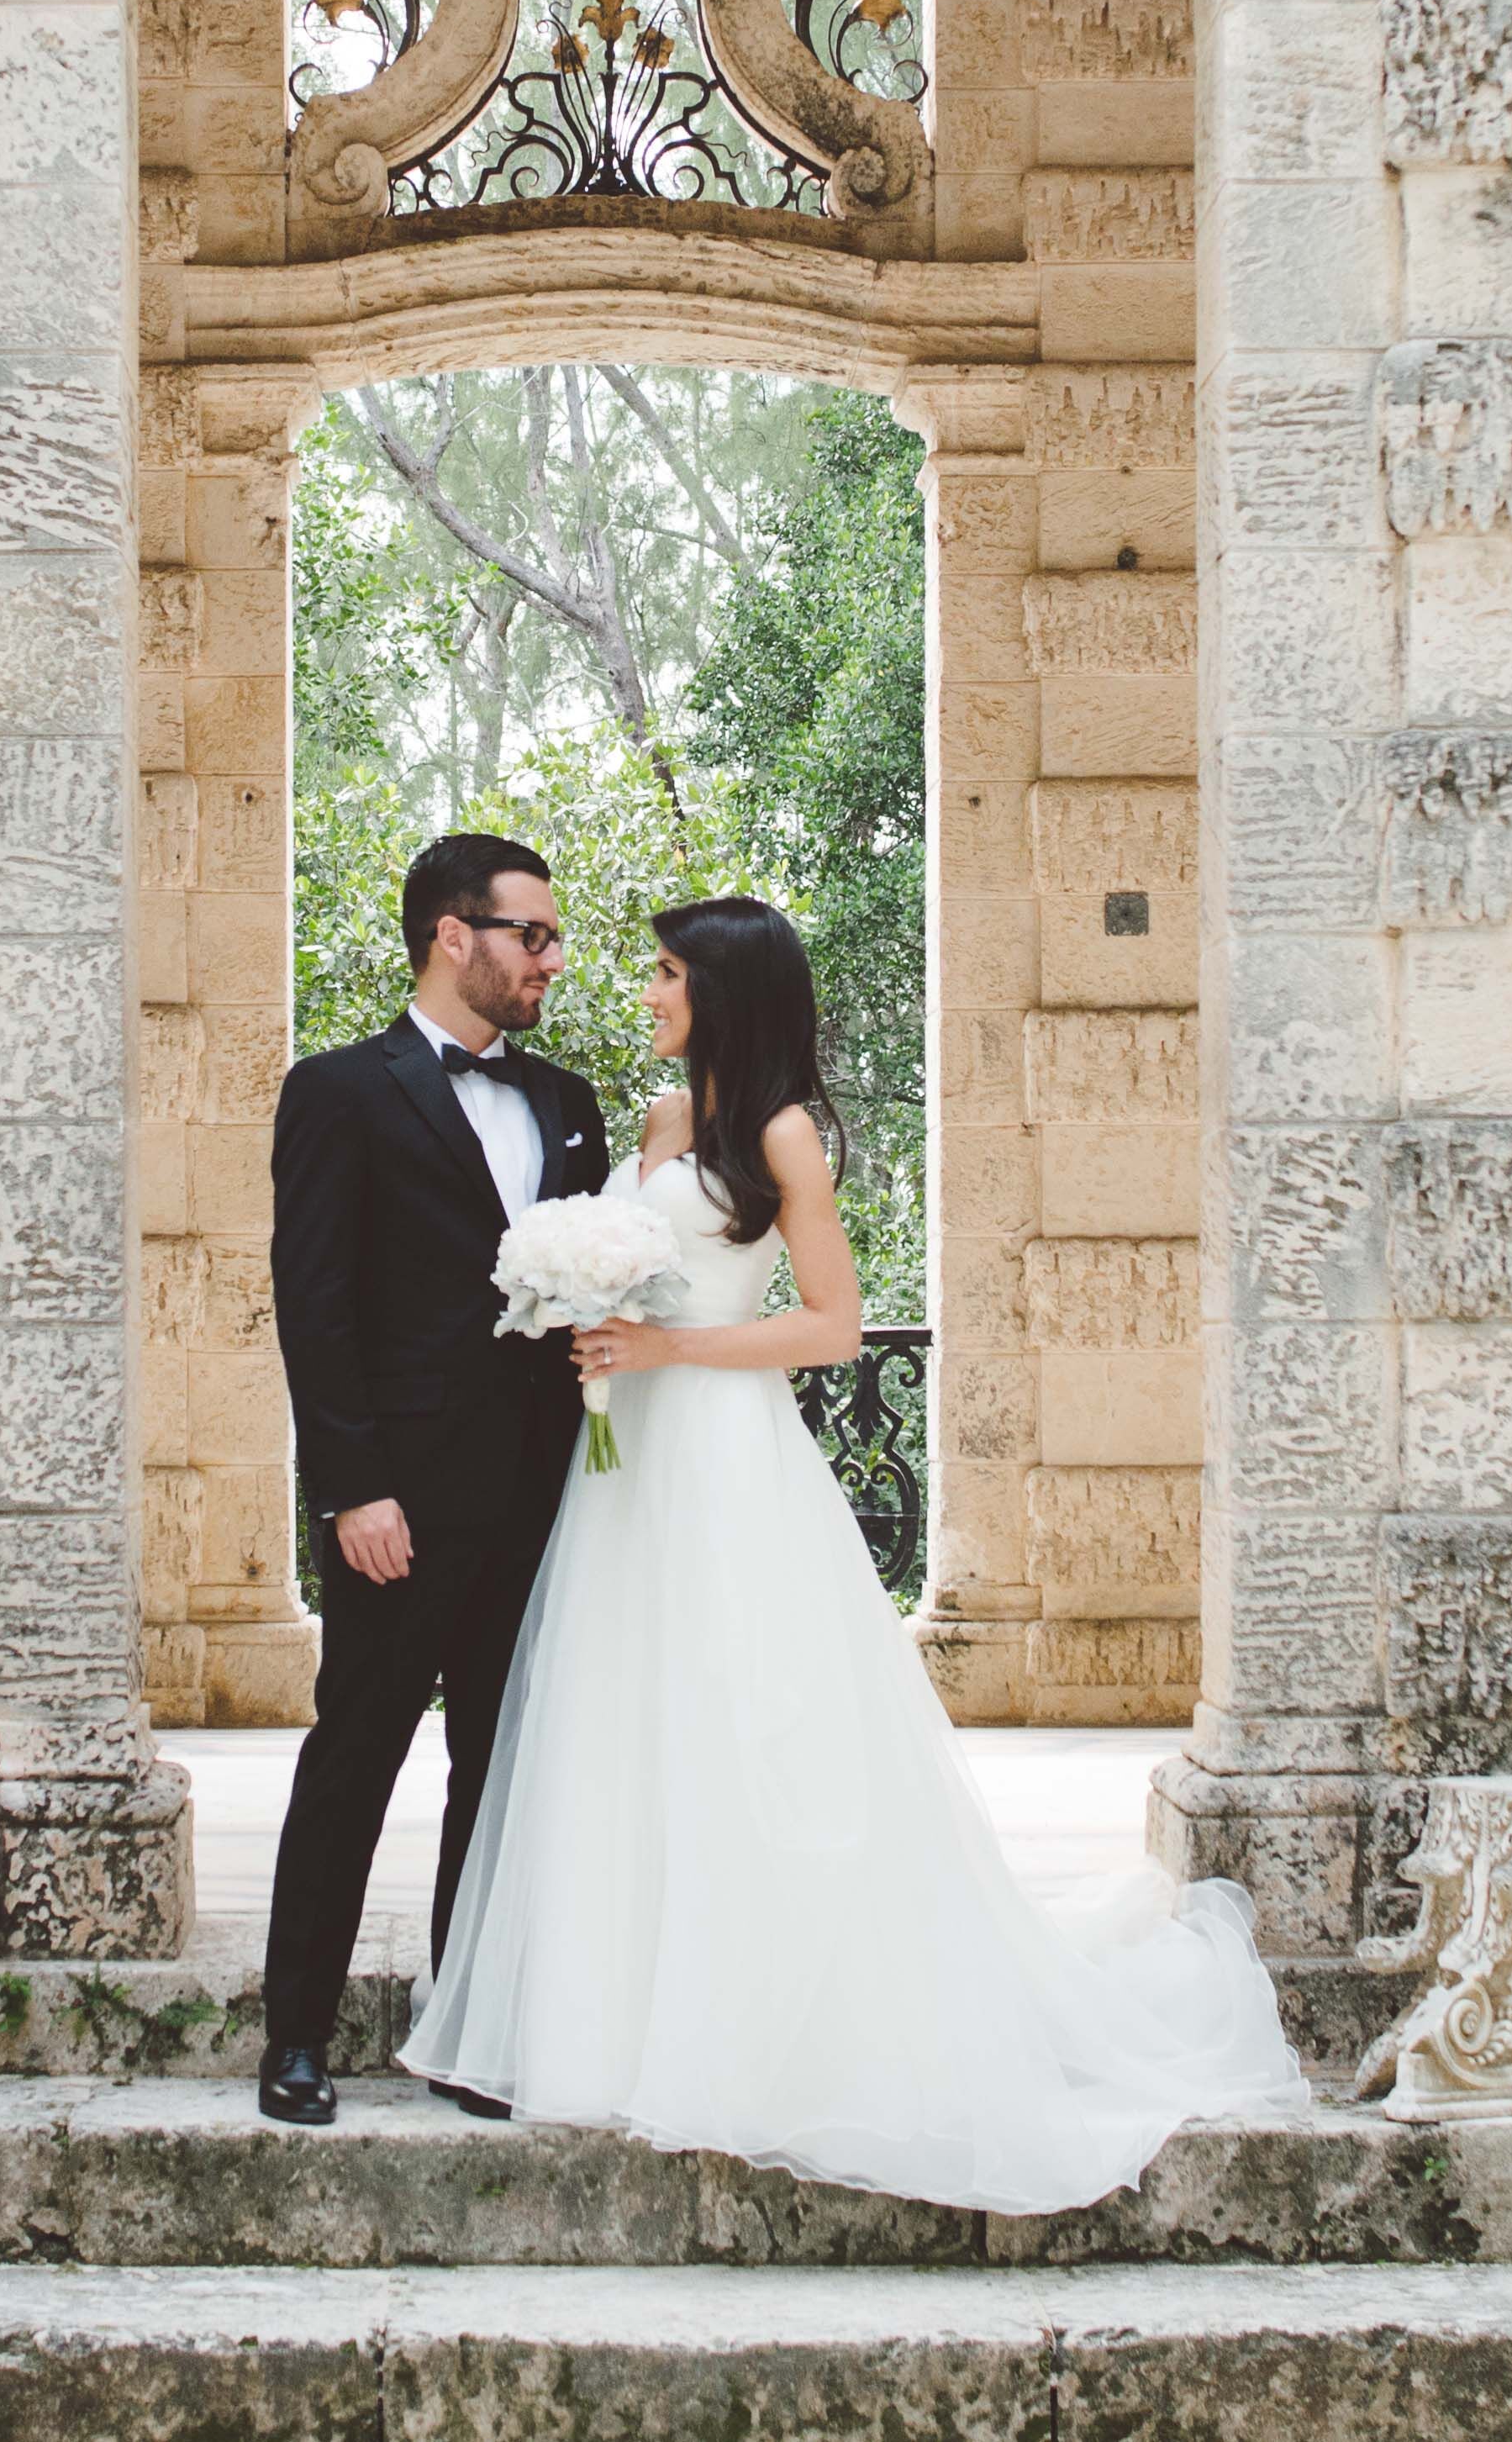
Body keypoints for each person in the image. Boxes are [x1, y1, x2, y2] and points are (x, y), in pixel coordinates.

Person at [398, 894, 1310, 2212]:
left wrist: (667, 1349)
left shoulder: (779, 1136)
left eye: (664, 975)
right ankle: (618, 2011)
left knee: (745, 1720)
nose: (646, 994)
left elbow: (833, 1325)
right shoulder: (659, 1122)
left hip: (720, 1450)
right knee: (622, 1718)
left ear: (722, 989)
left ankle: (764, 2018)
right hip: (625, 1466)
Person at [250, 831, 612, 2128]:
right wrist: (351, 1490)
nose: (551, 961)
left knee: (497, 1771)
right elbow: (317, 1305)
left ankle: (468, 2028)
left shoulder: (568, 1102)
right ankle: (295, 2034)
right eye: (533, 935)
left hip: (537, 1499)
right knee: (355, 1756)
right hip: (397, 1507)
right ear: (454, 936)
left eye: (551, 937)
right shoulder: (340, 1092)